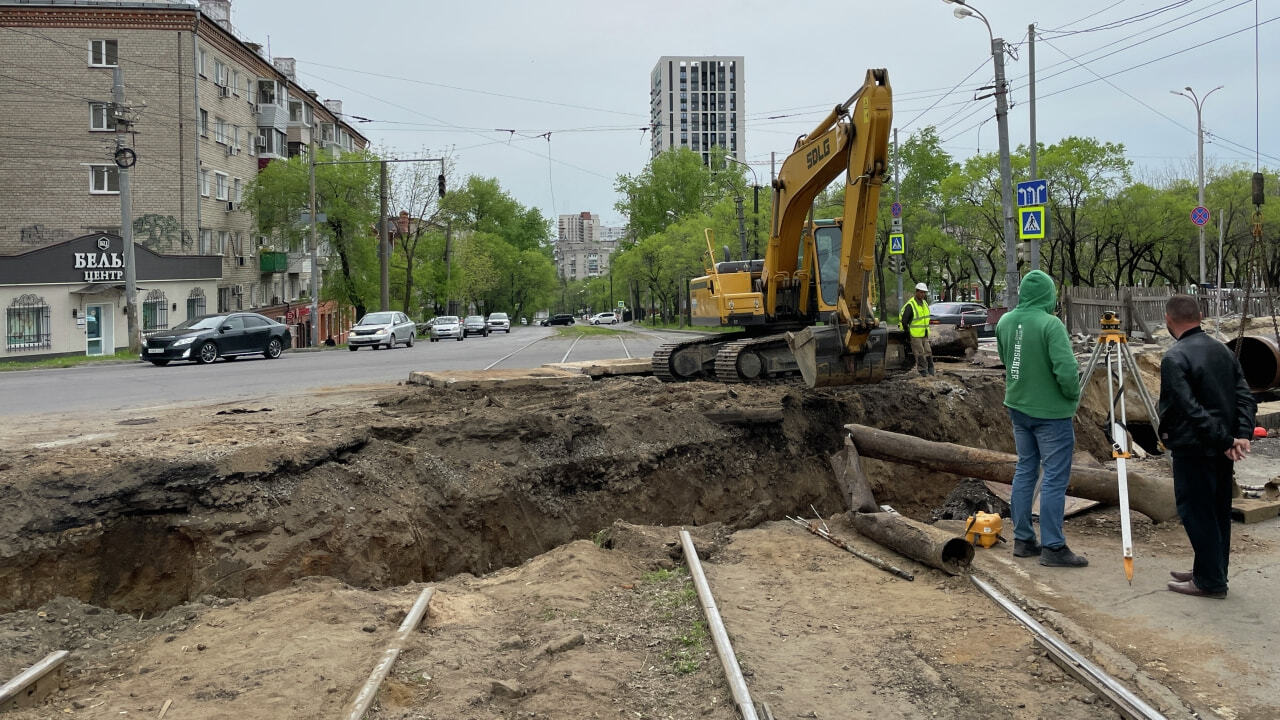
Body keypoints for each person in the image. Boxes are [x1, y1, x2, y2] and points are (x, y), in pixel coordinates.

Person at [1158, 294, 1256, 599]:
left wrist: (1228, 440)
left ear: (1169, 321)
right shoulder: (1223, 352)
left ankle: (1210, 581)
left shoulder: (1175, 358)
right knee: (1216, 512)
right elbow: (1245, 396)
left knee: (1197, 512)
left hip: (1194, 447)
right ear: (1200, 316)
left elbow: (1189, 408)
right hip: (1221, 447)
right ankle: (1210, 568)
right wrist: (1240, 435)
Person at [995, 270, 1087, 567]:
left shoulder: (1005, 322)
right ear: (1049, 294)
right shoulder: (1051, 324)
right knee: (1054, 478)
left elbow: (1008, 360)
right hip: (1051, 413)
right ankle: (1053, 546)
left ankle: (1023, 539)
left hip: (1018, 407)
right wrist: (1072, 397)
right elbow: (1067, 371)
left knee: (1025, 470)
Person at [899, 282, 934, 376]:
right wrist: (908, 332)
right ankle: (923, 372)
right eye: (921, 292)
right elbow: (904, 320)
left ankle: (931, 370)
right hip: (915, 335)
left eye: (924, 292)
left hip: (924, 333)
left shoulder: (924, 303)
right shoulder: (911, 305)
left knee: (928, 351)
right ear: (917, 292)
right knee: (920, 353)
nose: (923, 294)